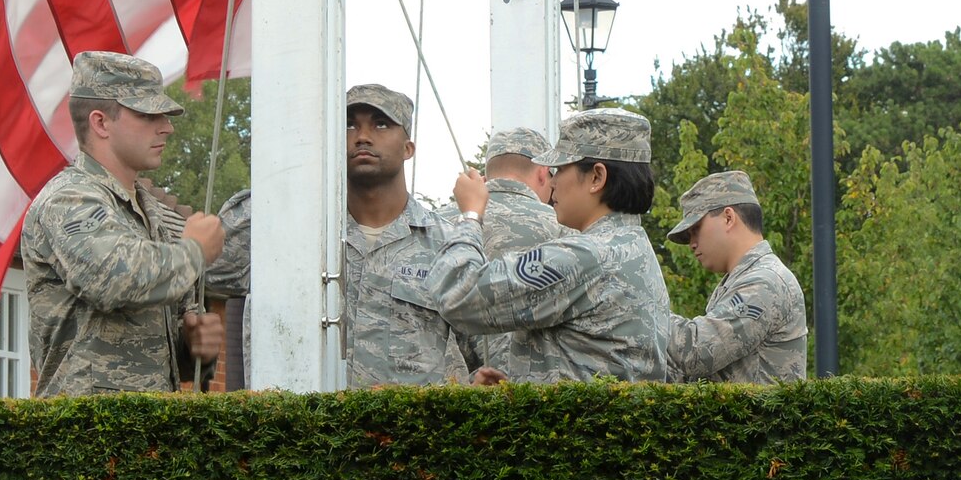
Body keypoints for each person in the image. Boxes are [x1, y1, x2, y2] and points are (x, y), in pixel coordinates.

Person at [209, 84, 482, 387]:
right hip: (306, 431)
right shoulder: (291, 233)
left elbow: (480, 349)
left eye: (381, 124)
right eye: (348, 124)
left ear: (408, 148)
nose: (362, 136)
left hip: (407, 432)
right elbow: (211, 270)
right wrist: (293, 175)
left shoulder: (445, 243)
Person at [20, 51, 225, 396]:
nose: (167, 126)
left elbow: (145, 352)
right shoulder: (69, 200)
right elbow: (114, 280)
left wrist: (191, 344)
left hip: (145, 432)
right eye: (148, 114)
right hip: (86, 433)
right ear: (101, 123)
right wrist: (193, 253)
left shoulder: (148, 212)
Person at [426, 109, 671, 382]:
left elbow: (458, 295)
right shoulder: (633, 246)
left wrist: (471, 214)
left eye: (562, 169)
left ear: (596, 178)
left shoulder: (586, 256)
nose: (552, 182)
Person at [665, 170, 808, 382]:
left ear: (728, 218)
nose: (692, 243)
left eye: (696, 229)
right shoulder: (742, 279)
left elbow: (696, 352)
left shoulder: (765, 282)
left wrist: (641, 310)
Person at [471, 125, 565, 373]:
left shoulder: (444, 222)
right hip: (534, 393)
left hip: (446, 395)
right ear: (544, 174)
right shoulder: (563, 229)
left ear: (486, 175)